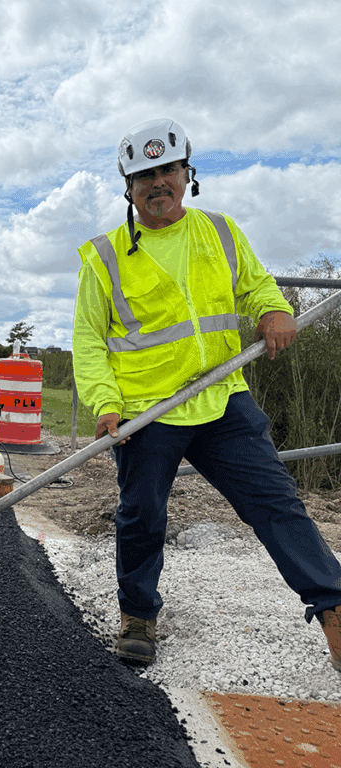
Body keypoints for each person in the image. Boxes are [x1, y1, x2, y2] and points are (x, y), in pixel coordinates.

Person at [73, 117, 341, 670]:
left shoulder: (219, 231)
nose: (158, 183)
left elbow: (257, 284)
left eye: (167, 169)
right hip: (148, 413)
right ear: (128, 186)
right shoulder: (104, 257)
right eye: (144, 174)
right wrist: (105, 403)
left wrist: (272, 308)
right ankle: (139, 615)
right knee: (142, 515)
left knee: (276, 503)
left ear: (187, 174)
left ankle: (334, 606)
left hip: (223, 399)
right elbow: (88, 342)